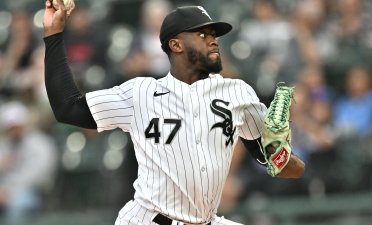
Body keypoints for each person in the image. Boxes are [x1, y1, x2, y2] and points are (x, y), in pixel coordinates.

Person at [42, 1, 305, 224]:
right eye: (202, 35)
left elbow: (284, 168)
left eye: (214, 34)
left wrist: (279, 152)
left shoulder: (238, 93)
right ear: (176, 45)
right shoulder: (141, 92)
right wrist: (54, 35)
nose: (214, 40)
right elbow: (68, 108)